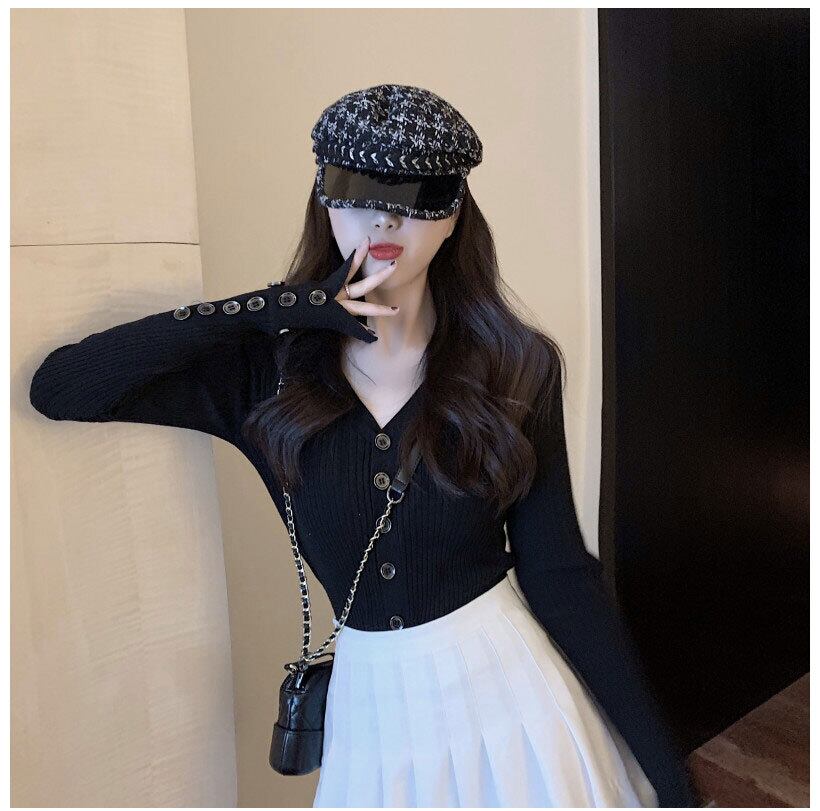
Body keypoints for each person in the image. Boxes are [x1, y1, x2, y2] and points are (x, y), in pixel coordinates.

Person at [28, 83, 698, 808]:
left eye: (416, 196)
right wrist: (271, 308)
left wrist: (671, 779)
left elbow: (561, 573)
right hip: (370, 715)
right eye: (355, 191)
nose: (383, 217)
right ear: (323, 199)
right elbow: (63, 388)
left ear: (454, 215)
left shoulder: (516, 364)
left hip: (511, 698)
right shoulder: (266, 374)